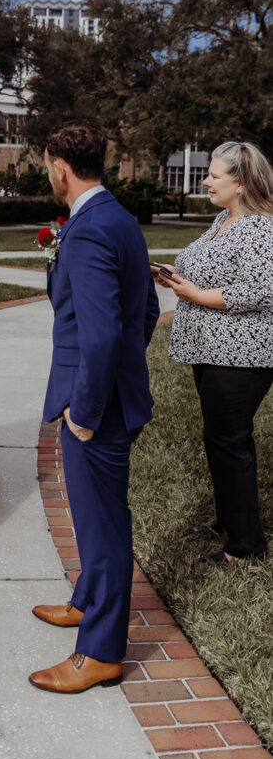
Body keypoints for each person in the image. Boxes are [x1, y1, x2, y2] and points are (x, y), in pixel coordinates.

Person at [29, 120, 159, 695]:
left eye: (46, 166)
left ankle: (101, 652)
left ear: (60, 166)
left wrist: (85, 409)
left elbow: (102, 335)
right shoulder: (120, 219)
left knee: (103, 526)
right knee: (92, 518)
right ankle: (86, 601)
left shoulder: (87, 231)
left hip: (96, 408)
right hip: (113, 393)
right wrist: (127, 370)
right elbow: (148, 311)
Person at [157, 141, 273, 564]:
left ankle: (245, 547)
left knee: (230, 442)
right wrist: (174, 277)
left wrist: (195, 294)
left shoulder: (260, 227)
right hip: (213, 350)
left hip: (241, 356)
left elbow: (258, 292)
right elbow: (207, 270)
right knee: (223, 439)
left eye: (214, 175)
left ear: (240, 183)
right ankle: (228, 522)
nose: (205, 180)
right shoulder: (224, 219)